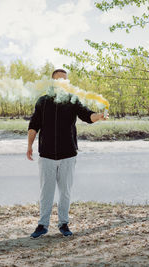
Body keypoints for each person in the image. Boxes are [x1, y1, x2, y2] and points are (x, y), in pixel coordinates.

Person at [27, 69, 108, 239]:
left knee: (65, 192)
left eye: (64, 80)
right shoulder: (43, 101)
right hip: (46, 155)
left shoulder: (73, 100)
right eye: (58, 80)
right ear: (52, 82)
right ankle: (42, 225)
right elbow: (34, 125)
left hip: (68, 154)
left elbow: (87, 115)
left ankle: (63, 224)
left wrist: (99, 116)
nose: (62, 83)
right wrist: (29, 146)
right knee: (46, 191)